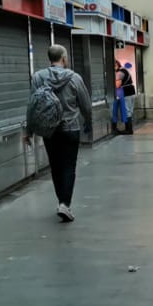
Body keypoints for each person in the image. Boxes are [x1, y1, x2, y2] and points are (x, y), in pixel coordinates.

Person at [31, 45, 93, 222]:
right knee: (68, 167)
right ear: (64, 59)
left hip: (49, 130)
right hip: (70, 128)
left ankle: (61, 202)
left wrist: (29, 130)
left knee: (56, 167)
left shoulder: (38, 77)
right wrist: (88, 122)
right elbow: (86, 105)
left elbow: (32, 105)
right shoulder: (74, 78)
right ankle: (64, 204)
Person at [112, 62, 134, 135]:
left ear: (117, 65)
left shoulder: (120, 72)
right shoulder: (124, 70)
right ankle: (129, 129)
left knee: (127, 110)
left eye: (114, 65)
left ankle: (128, 129)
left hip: (126, 93)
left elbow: (117, 85)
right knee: (129, 110)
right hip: (130, 92)